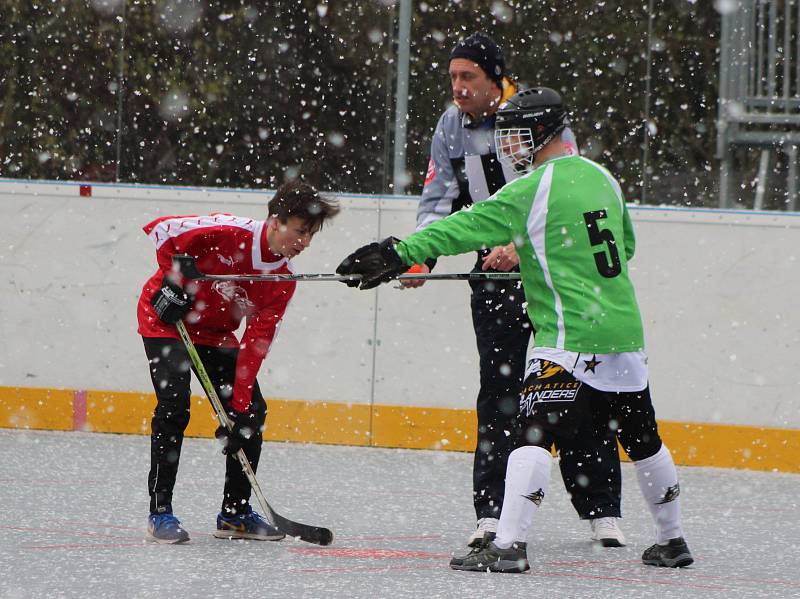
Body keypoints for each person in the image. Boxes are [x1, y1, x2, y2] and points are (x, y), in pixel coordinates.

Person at [335, 87, 693, 572]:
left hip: (568, 339)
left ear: (543, 132)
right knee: (644, 438)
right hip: (624, 334)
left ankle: (508, 545)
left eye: (516, 135)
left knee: (530, 436)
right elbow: (624, 246)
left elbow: (463, 227)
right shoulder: (602, 177)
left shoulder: (531, 189)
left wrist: (399, 253)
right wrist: (543, 252)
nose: (508, 146)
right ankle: (672, 541)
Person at [402, 31, 624, 558]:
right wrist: (419, 254)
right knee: (498, 396)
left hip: (554, 277)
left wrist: (520, 247)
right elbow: (440, 198)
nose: (457, 88)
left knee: (578, 389)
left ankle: (602, 512)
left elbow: (568, 197)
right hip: (495, 287)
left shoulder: (539, 118)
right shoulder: (451, 127)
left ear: (496, 78)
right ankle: (490, 514)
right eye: (452, 77)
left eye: (468, 77)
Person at [137, 180, 339, 544]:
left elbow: (255, 343)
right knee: (174, 407)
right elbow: (160, 230)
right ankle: (160, 512)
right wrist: (173, 281)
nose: (305, 242)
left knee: (251, 415)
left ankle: (235, 514)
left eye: (311, 235)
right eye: (300, 231)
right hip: (167, 323)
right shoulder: (228, 230)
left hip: (215, 333)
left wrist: (239, 408)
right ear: (276, 222)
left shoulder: (282, 280)